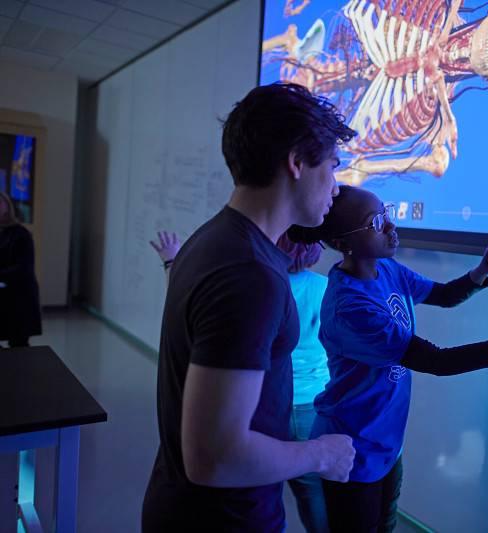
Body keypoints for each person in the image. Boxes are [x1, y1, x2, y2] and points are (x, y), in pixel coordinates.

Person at [289, 185, 488, 532]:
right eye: (377, 222)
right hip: (352, 446)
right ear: (345, 243)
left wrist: (482, 269)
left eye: (387, 212)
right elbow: (438, 361)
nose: (391, 226)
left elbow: (443, 295)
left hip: (386, 438)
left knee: (385, 524)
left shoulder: (387, 269)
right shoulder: (350, 307)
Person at [141, 83, 356, 533]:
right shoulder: (249, 273)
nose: (336, 187)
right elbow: (214, 458)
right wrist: (322, 454)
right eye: (333, 167)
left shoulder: (213, 239)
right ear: (296, 162)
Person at [149, 230, 331, 532]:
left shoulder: (262, 284)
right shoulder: (322, 288)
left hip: (265, 406)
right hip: (310, 405)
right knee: (312, 493)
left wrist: (172, 262)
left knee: (259, 479)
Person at [0, 191, 41, 348]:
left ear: (7, 207)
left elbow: (23, 268)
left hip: (18, 299)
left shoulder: (21, 234)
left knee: (18, 345)